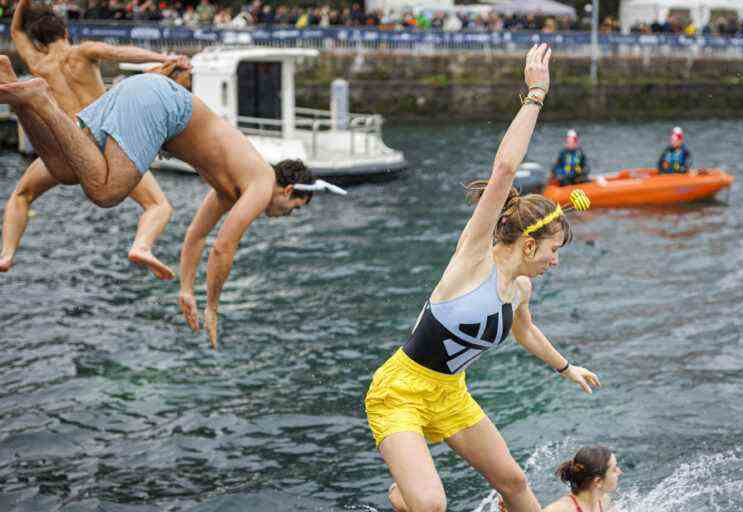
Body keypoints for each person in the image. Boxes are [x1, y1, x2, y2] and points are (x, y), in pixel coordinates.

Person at [364, 44, 601, 512]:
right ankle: (403, 496)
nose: (555, 262)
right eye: (553, 251)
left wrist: (565, 367)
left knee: (512, 481)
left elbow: (525, 330)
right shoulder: (473, 259)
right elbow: (505, 169)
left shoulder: (520, 289)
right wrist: (536, 93)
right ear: (529, 244)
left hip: (452, 395)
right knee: (430, 505)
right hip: (401, 392)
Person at [0, 54, 334, 349]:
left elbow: (197, 236)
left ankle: (23, 100)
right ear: (288, 192)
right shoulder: (261, 182)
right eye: (291, 212)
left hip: (144, 92)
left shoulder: (231, 185)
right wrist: (212, 307)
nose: (281, 217)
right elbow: (223, 247)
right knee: (106, 191)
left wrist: (187, 290)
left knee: (65, 169)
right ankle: (43, 100)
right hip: (162, 104)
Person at [1, 0, 185, 278]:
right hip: (104, 135)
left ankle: (6, 254)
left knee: (22, 195)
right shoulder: (82, 51)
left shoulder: (38, 61)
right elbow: (120, 51)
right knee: (158, 204)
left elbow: (16, 31)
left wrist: (24, 3)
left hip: (68, 139)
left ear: (38, 41)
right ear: (65, 33)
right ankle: (142, 246)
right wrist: (162, 59)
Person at [542, 447, 622, 512]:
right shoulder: (560, 509)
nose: (620, 472)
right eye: (614, 469)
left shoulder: (604, 501)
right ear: (598, 481)